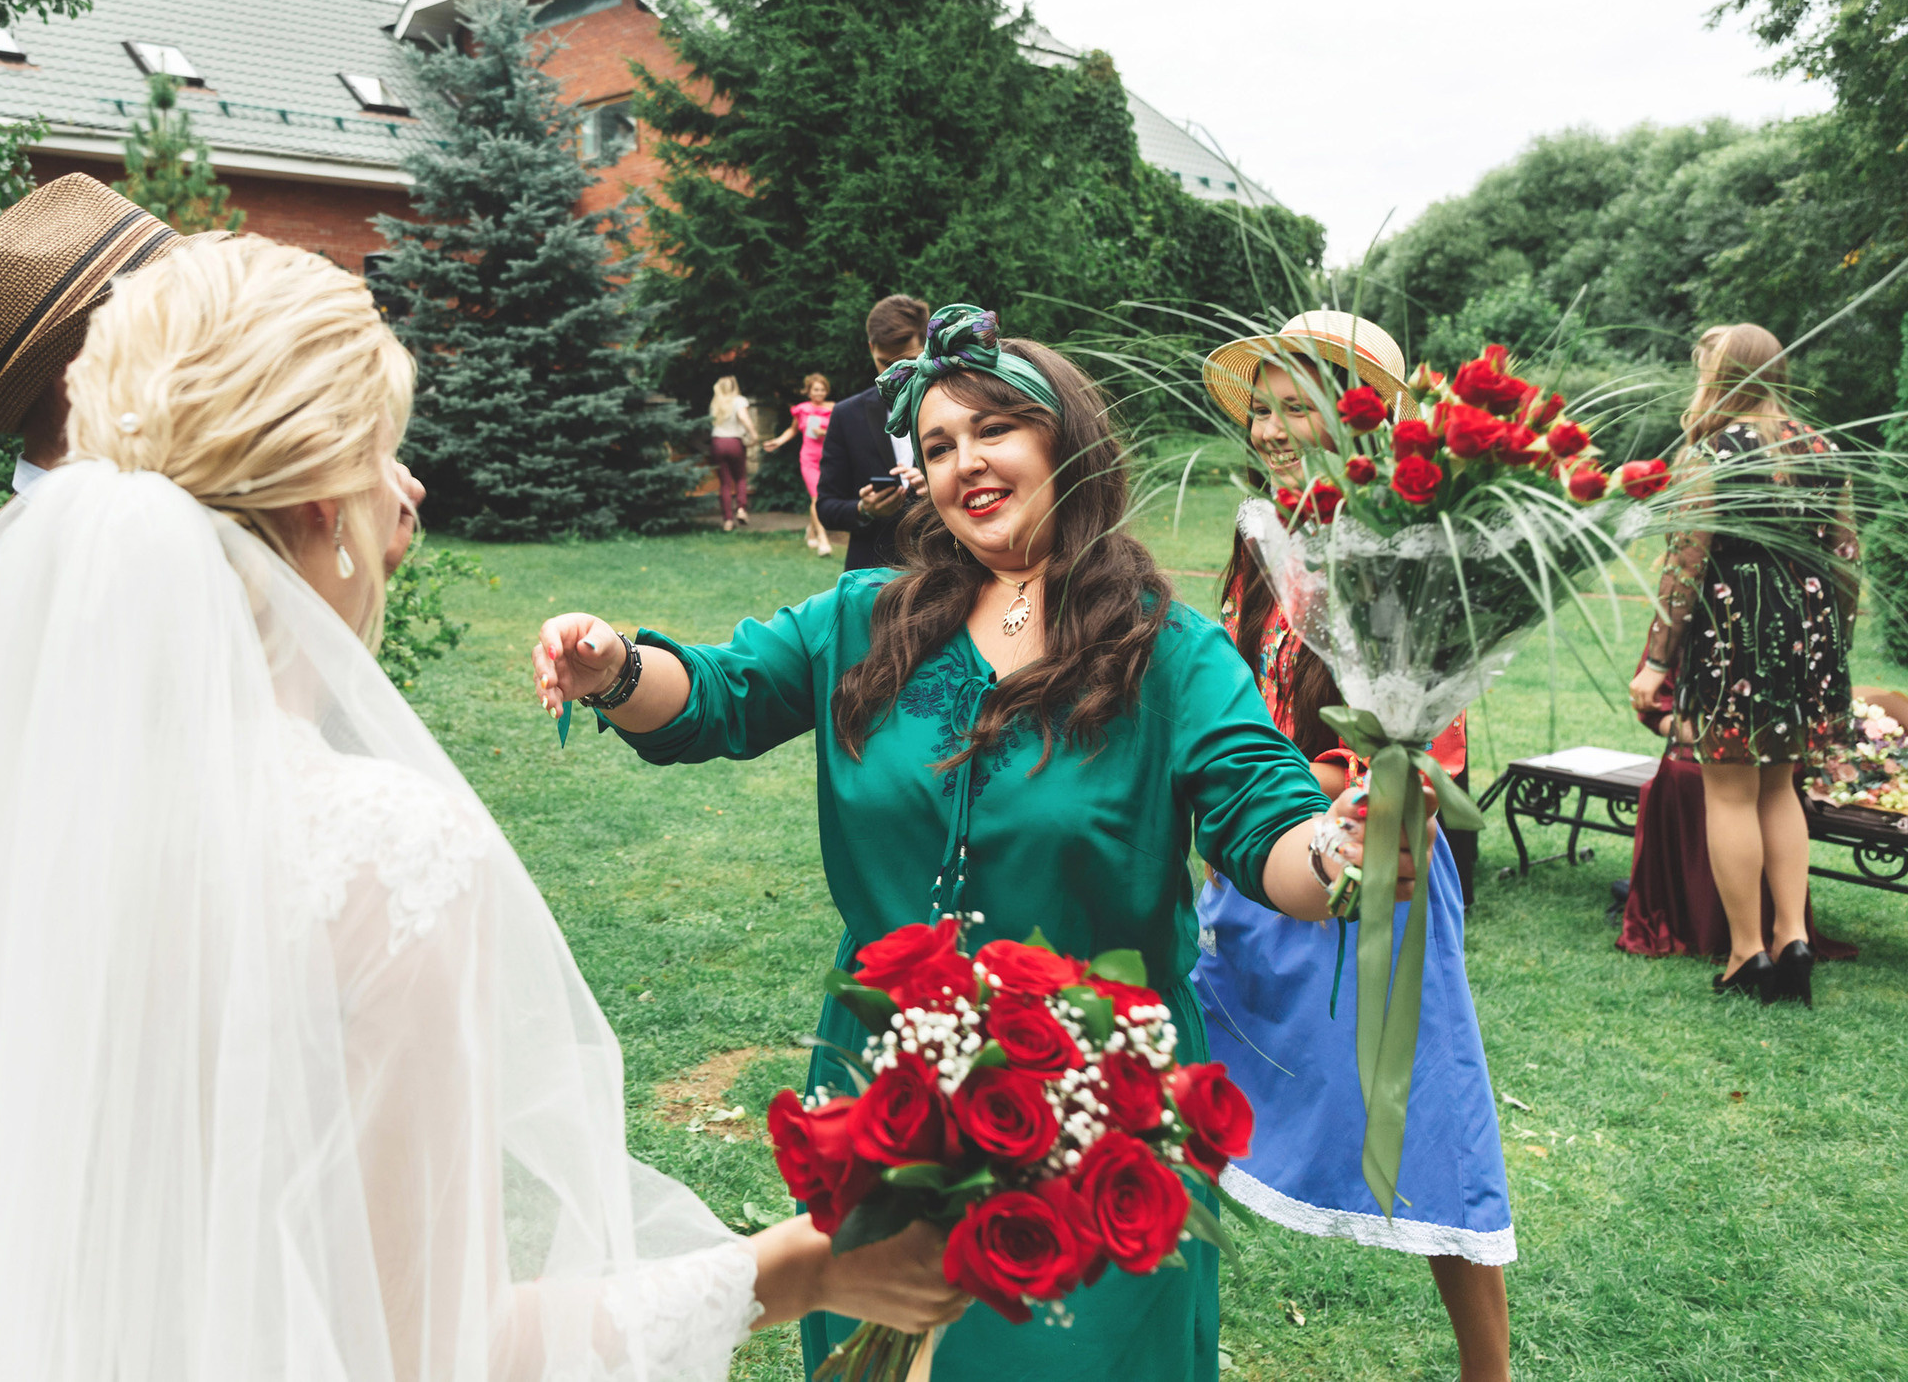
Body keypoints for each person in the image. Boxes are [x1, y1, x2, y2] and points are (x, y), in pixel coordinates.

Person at [0, 234, 967, 1380]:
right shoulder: (373, 848)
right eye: (386, 452)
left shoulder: (6, 800)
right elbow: (436, 1348)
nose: (411, 493)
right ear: (323, 509)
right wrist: (803, 1267)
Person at [533, 305, 1407, 1382]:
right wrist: (613, 665)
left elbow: (1263, 821)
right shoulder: (863, 620)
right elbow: (719, 696)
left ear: (1065, 442)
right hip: (883, 1087)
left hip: (1096, 1114)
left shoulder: (1166, 651)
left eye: (993, 430)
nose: (964, 465)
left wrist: (1339, 855)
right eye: (937, 446)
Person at [1194, 311, 1514, 1382]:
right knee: (1183, 1084)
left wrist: (1346, 797)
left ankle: (1488, 1372)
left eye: (1300, 406)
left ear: (1360, 418)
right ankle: (1156, 1330)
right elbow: (1238, 696)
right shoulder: (1256, 532)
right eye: (1263, 408)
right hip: (1251, 856)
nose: (1276, 428)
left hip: (1376, 866)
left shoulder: (1404, 547)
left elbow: (1432, 740)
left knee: (1424, 1122)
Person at [0, 173, 421, 742]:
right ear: (86, 365)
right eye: (174, 314)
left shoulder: (183, 538)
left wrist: (344, 570)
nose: (222, 336)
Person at [1629, 323, 1858, 1006]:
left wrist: (1656, 661)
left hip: (1737, 636)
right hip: (1807, 641)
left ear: (1723, 375)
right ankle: (1795, 938)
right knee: (1778, 787)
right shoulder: (1826, 448)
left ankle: (1745, 951)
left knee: (1728, 790)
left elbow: (1685, 564)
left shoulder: (1713, 452)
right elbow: (1846, 561)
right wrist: (1830, 647)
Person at [814, 295, 931, 570]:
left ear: (927, 346)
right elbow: (827, 507)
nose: (896, 374)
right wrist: (864, 509)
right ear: (870, 348)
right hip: (870, 577)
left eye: (908, 361)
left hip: (944, 573)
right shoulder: (846, 415)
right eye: (885, 363)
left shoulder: (954, 407)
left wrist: (938, 491)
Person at [761, 375, 836, 556]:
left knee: (822, 496)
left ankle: (811, 530)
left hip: (829, 458)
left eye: (822, 389)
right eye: (815, 389)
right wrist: (777, 442)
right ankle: (823, 541)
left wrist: (824, 432)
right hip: (809, 458)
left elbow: (840, 433)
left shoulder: (834, 408)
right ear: (809, 392)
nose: (819, 393)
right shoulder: (802, 410)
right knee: (816, 497)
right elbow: (793, 430)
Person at [707, 375, 757, 531]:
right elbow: (743, 417)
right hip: (735, 442)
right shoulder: (739, 400)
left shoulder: (715, 403)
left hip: (717, 442)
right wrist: (753, 434)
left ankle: (727, 520)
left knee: (725, 483)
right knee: (741, 477)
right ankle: (741, 509)